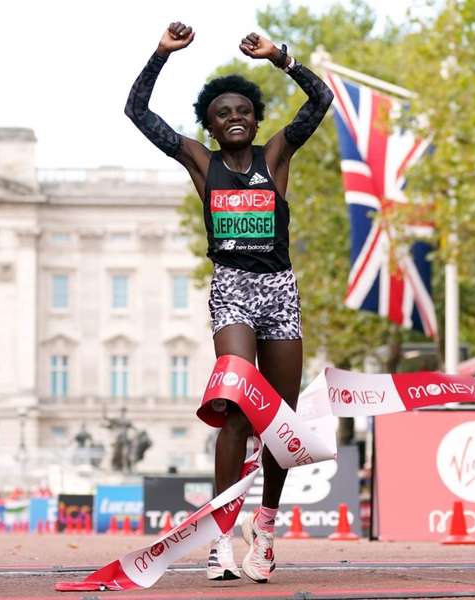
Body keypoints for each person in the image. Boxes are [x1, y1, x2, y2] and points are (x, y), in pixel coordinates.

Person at [125, 22, 333, 583]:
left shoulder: (277, 155)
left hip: (280, 292)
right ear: (210, 126)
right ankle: (220, 539)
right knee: (236, 408)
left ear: (257, 119)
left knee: (277, 423)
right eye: (222, 113)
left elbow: (321, 99)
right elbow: (137, 111)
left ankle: (263, 529)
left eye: (244, 109)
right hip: (234, 289)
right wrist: (161, 53)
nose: (234, 116)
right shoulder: (201, 161)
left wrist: (280, 57)